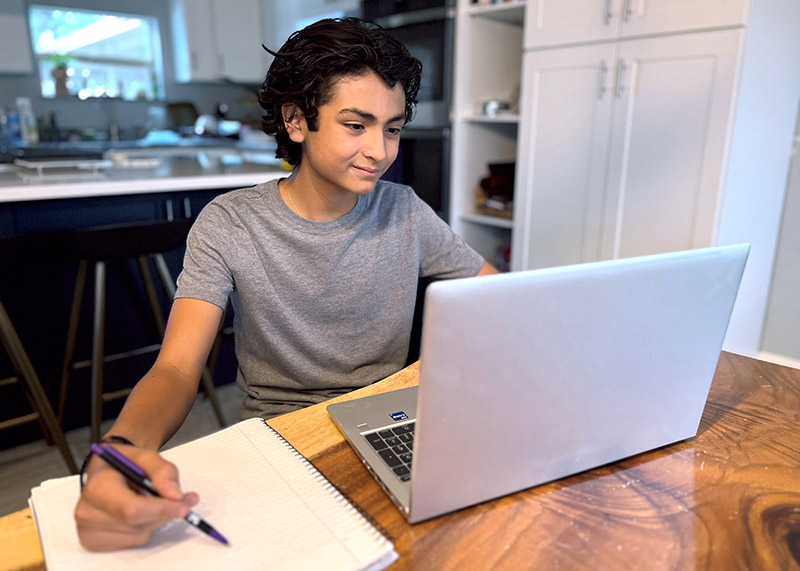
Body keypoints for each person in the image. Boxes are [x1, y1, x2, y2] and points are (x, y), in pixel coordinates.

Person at [74, 17, 497, 551]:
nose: (380, 151)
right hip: (283, 435)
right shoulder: (230, 222)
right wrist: (122, 449)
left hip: (387, 420)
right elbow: (178, 368)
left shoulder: (404, 211)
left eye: (392, 128)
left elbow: (494, 299)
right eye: (355, 124)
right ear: (297, 120)